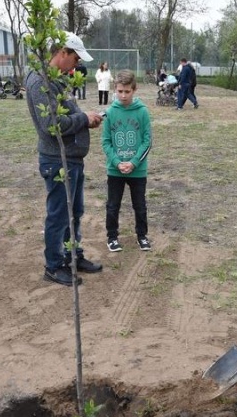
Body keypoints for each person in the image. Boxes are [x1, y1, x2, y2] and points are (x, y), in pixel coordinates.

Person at [26, 32, 103, 286]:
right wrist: (83, 119)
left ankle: (73, 255)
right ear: (63, 53)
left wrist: (86, 120)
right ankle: (54, 265)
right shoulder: (40, 82)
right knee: (59, 214)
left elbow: (67, 114)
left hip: (72, 159)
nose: (77, 64)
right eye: (76, 58)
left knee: (74, 211)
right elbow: (52, 125)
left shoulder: (58, 80)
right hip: (57, 160)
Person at [102, 70, 152, 252]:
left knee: (140, 205)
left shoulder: (142, 112)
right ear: (114, 89)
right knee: (112, 205)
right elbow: (106, 142)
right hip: (115, 170)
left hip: (137, 170)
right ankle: (112, 237)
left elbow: (147, 141)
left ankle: (142, 235)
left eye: (127, 91)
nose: (123, 95)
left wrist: (134, 162)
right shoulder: (110, 113)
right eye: (120, 91)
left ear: (134, 90)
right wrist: (117, 162)